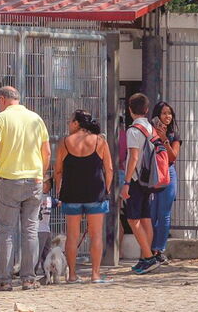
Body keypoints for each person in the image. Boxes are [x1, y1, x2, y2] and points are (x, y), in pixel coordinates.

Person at [0, 85, 51, 291]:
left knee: (7, 231)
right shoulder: (36, 119)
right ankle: (29, 279)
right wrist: (41, 173)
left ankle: (4, 280)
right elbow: (46, 152)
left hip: (9, 180)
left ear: (2, 99)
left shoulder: (0, 119)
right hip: (34, 180)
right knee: (30, 230)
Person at [54, 110, 113, 282]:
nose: (68, 124)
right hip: (96, 193)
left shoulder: (64, 143)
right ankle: (95, 274)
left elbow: (58, 170)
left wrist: (59, 189)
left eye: (70, 121)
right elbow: (108, 169)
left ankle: (72, 275)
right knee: (96, 235)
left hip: (71, 194)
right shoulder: (99, 141)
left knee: (72, 236)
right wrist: (106, 189)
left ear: (77, 123)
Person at [120, 93, 162, 275]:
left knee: (132, 219)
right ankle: (146, 256)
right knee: (146, 218)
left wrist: (126, 182)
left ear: (130, 110)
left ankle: (148, 257)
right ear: (146, 110)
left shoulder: (133, 130)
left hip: (137, 179)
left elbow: (133, 157)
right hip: (150, 179)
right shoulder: (151, 128)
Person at [149, 101, 181, 265]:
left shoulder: (174, 135)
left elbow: (173, 156)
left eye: (169, 113)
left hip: (168, 172)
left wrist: (164, 140)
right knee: (151, 214)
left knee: (164, 214)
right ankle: (149, 250)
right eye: (163, 113)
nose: (167, 116)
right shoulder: (149, 132)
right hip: (152, 173)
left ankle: (159, 249)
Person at [35, 176, 54, 276]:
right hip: (38, 229)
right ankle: (32, 272)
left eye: (49, 184)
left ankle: (48, 272)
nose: (48, 186)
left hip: (46, 229)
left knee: (47, 252)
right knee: (37, 252)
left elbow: (56, 203)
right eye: (45, 183)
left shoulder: (49, 197)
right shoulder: (37, 197)